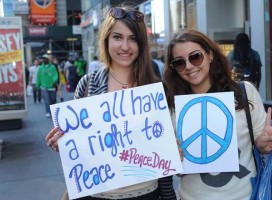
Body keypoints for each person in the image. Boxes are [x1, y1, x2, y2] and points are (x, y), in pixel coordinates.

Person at [44, 5, 176, 200]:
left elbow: (165, 154)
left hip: (147, 194)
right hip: (96, 194)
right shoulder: (87, 84)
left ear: (141, 44)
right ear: (106, 40)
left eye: (132, 39)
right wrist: (62, 144)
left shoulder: (157, 90)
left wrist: (173, 150)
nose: (125, 46)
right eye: (117, 37)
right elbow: (78, 148)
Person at [163, 29, 272, 200]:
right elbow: (176, 171)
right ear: (174, 68)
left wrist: (264, 143)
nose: (189, 66)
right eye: (179, 62)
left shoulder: (244, 93)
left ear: (210, 55)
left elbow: (260, 143)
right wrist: (171, 158)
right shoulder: (170, 107)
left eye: (195, 56)